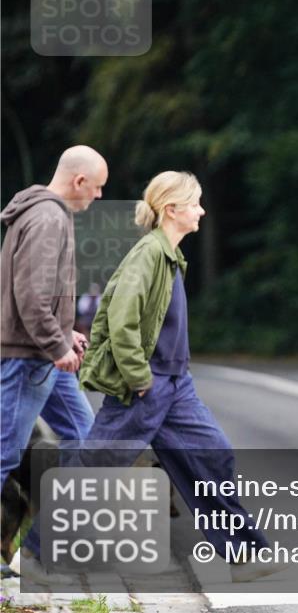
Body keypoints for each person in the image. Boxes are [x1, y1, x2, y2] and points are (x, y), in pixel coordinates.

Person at [51, 170, 278, 583]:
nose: (202, 210)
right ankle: (39, 554)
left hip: (176, 385)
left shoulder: (171, 255)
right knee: (96, 469)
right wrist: (139, 379)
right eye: (195, 203)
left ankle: (243, 555)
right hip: (147, 385)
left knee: (214, 454)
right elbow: (121, 322)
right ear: (172, 210)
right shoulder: (149, 254)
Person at [1, 145, 108, 490]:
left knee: (83, 436)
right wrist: (56, 344)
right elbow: (32, 295)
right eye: (97, 186)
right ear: (79, 181)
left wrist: (65, 334)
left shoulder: (49, 214)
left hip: (42, 355)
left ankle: (51, 535)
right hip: (28, 356)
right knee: (4, 453)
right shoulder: (47, 217)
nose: (99, 195)